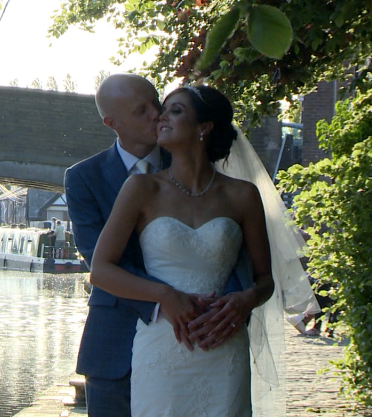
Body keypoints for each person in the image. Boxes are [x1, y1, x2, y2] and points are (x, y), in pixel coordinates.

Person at [65, 75, 249, 417]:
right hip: (114, 344)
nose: (156, 115)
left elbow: (234, 254)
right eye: (142, 111)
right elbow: (98, 260)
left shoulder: (192, 159)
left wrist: (226, 310)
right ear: (112, 123)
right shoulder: (83, 178)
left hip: (204, 337)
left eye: (157, 103)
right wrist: (165, 299)